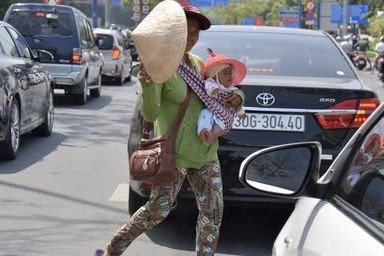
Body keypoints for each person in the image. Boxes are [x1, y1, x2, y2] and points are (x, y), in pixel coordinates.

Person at [95, 2, 245, 256]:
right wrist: (148, 84)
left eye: (196, 32)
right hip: (173, 155)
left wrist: (239, 97)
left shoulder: (200, 64)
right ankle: (113, 249)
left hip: (206, 154)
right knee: (156, 212)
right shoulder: (160, 67)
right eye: (186, 30)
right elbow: (150, 113)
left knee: (213, 212)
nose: (191, 37)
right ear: (172, 33)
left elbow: (224, 87)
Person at [198, 48, 246, 144]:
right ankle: (204, 131)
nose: (229, 76)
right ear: (214, 77)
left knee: (221, 123)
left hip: (224, 116)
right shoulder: (211, 84)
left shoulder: (231, 90)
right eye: (224, 73)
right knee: (204, 114)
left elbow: (237, 103)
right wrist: (213, 90)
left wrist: (241, 112)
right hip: (210, 111)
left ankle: (212, 136)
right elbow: (208, 86)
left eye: (230, 73)